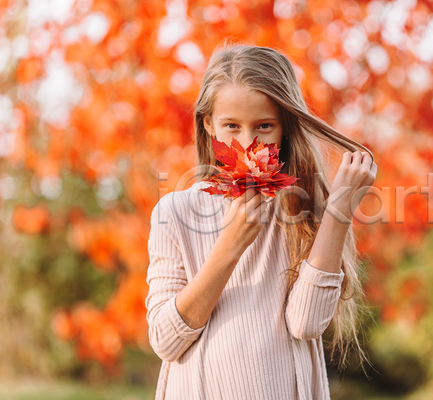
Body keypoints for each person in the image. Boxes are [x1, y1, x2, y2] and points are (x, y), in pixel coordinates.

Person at [145, 39, 377, 400]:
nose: (248, 143)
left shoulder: (304, 208)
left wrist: (339, 209)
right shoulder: (175, 212)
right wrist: (229, 246)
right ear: (209, 125)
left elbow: (306, 322)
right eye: (232, 126)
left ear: (286, 126)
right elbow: (165, 339)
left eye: (264, 126)